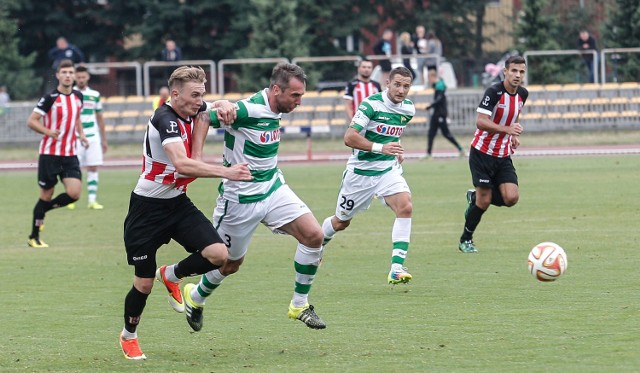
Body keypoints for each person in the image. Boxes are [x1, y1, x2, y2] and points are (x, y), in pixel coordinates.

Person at [159, 63, 327, 333]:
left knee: (314, 235)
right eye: (295, 95)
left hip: (273, 187)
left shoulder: (273, 108)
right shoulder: (248, 110)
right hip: (240, 200)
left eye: (301, 96)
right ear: (276, 89)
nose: (299, 101)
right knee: (229, 263)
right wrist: (198, 158)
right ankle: (190, 291)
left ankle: (300, 305)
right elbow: (204, 117)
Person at [118, 65, 252, 360]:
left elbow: (213, 106)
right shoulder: (165, 119)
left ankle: (171, 274)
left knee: (219, 254)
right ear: (175, 94)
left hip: (178, 203)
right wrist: (226, 172)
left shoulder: (193, 107)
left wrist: (225, 102)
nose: (199, 100)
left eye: (201, 94)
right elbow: (183, 165)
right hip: (147, 209)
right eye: (194, 95)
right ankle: (129, 335)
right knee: (142, 283)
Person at [321, 66, 416, 285]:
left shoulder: (408, 109)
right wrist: (381, 148)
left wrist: (396, 149)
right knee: (341, 222)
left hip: (387, 170)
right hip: (360, 174)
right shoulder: (371, 104)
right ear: (388, 84)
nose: (401, 90)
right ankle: (316, 244)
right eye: (397, 84)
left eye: (406, 86)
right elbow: (349, 137)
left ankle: (396, 268)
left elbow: (393, 133)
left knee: (405, 206)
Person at [458, 55, 528, 253]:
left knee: (511, 198)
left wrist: (512, 136)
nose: (517, 75)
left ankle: (475, 198)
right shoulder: (494, 92)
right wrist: (507, 130)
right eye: (514, 71)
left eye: (521, 71)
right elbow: (480, 121)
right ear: (505, 71)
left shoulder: (523, 94)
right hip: (482, 153)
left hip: (503, 154)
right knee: (485, 201)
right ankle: (466, 239)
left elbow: (513, 115)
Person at [26, 59, 89, 248]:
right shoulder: (50, 98)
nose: (68, 76)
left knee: (75, 193)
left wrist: (82, 134)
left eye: (71, 73)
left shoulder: (78, 96)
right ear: (58, 75)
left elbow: (75, 117)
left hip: (70, 154)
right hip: (49, 154)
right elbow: (32, 121)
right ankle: (33, 237)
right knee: (46, 193)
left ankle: (43, 210)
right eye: (65, 73)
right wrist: (48, 131)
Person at [67, 65, 108, 210]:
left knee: (92, 167)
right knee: (73, 169)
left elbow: (100, 118)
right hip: (75, 137)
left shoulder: (95, 95)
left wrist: (104, 139)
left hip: (92, 136)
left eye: (83, 77)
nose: (81, 79)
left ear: (88, 77)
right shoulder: (70, 94)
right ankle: (71, 199)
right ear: (74, 78)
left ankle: (92, 200)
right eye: (78, 77)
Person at [425, 69, 463, 158]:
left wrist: (429, 106)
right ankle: (429, 153)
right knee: (431, 133)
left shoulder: (440, 85)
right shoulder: (437, 85)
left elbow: (439, 100)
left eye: (429, 78)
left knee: (446, 134)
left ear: (432, 77)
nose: (429, 80)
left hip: (440, 114)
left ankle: (461, 149)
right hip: (436, 113)